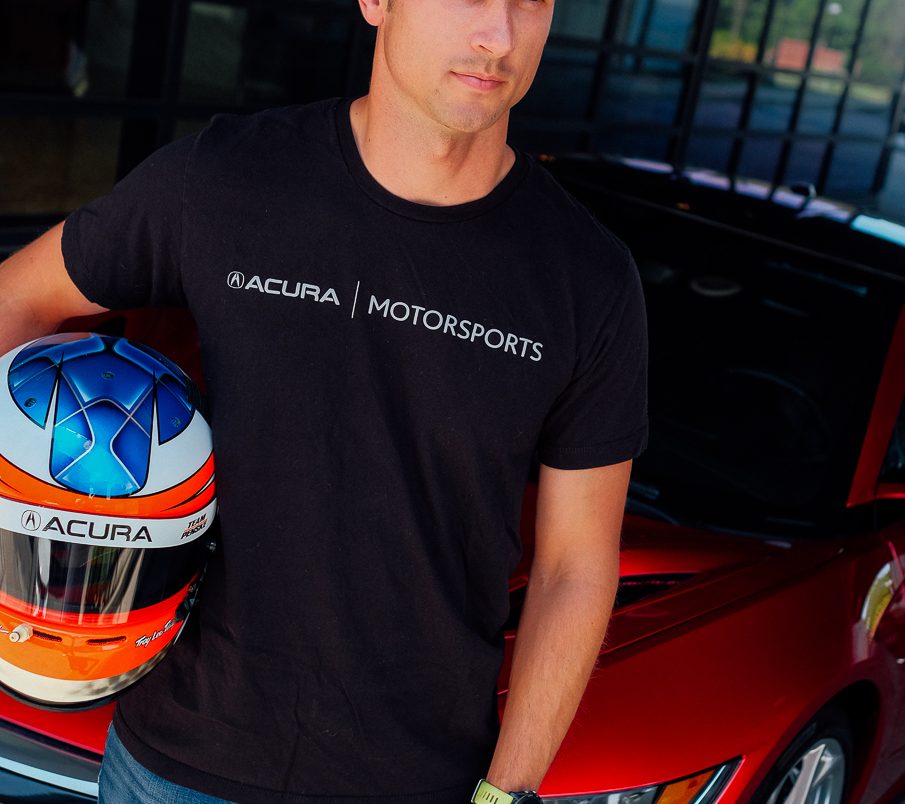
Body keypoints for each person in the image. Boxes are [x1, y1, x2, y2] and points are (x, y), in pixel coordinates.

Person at [0, 0, 648, 802]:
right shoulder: (228, 178)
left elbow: (574, 568)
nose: (499, 37)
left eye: (531, 1)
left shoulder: (587, 278)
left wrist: (505, 794)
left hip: (413, 779)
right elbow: (19, 298)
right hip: (175, 763)